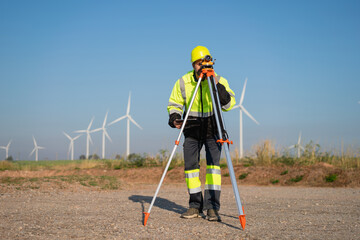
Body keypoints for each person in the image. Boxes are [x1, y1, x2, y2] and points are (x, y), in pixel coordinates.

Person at [167, 46, 236, 221]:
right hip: (191, 129)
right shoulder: (183, 82)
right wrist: (174, 117)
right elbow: (174, 103)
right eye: (198, 63)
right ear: (193, 64)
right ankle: (195, 206)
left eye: (204, 63)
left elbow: (229, 105)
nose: (202, 67)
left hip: (214, 129)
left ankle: (212, 207)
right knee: (191, 169)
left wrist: (215, 83)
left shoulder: (219, 80)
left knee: (213, 169)